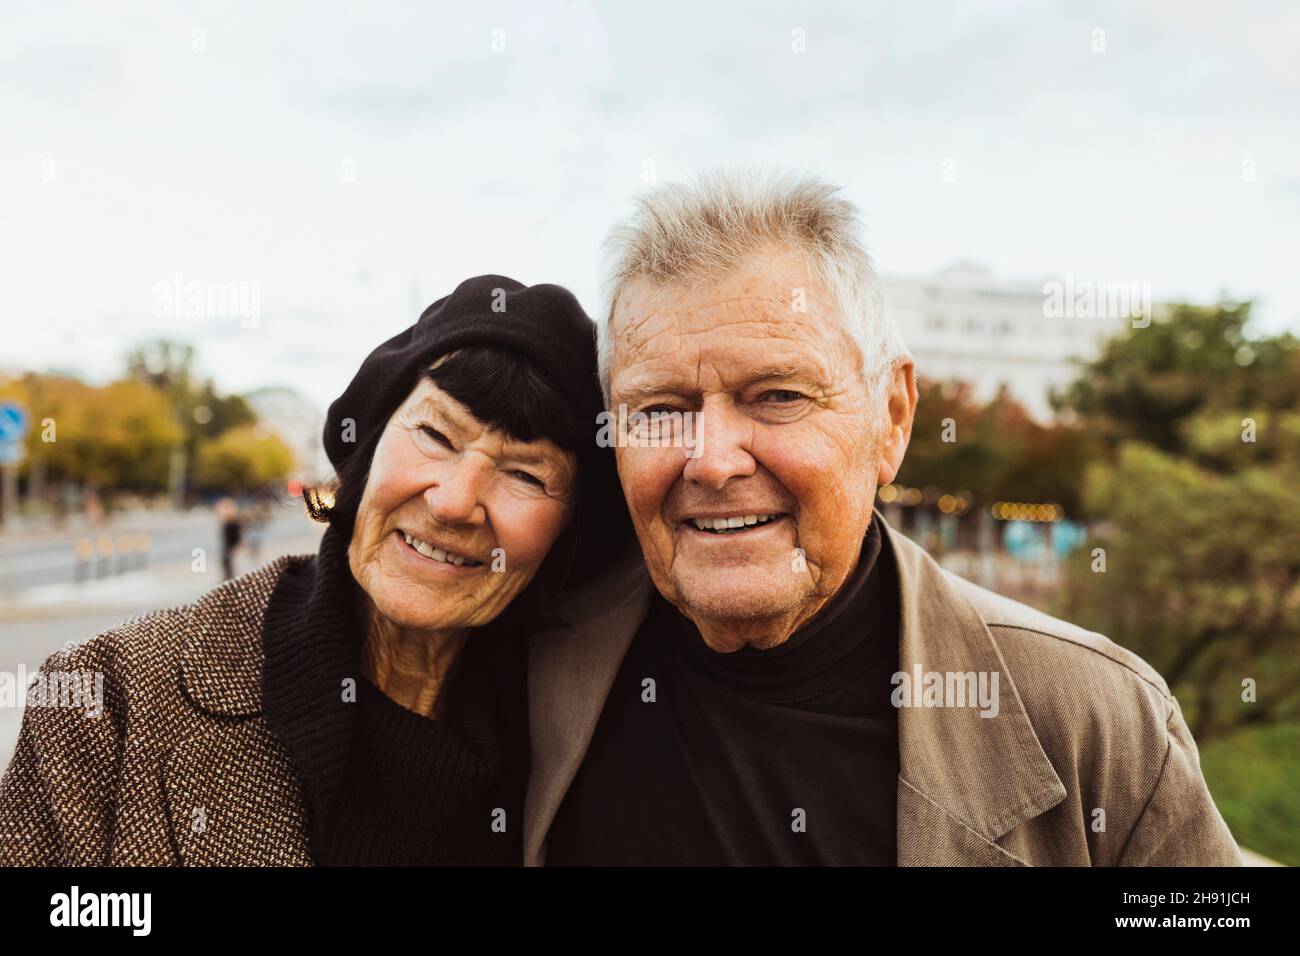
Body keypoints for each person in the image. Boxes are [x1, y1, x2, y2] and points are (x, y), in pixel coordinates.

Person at [524, 169, 1243, 866]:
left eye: (776, 396)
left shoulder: (1099, 726)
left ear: (891, 418)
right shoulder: (522, 663)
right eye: (659, 410)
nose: (712, 462)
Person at [0, 275, 628, 866]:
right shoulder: (108, 702)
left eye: (525, 474)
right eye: (436, 435)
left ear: (567, 533)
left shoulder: (587, 752)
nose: (454, 501)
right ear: (369, 447)